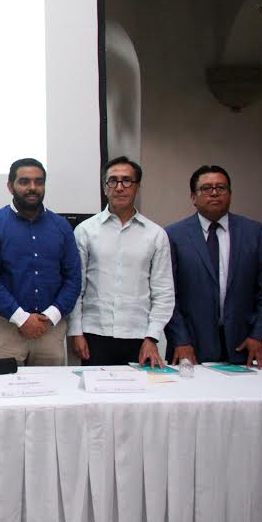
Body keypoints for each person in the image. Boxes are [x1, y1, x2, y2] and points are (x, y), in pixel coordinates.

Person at [165, 165, 262, 367]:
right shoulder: (173, 235)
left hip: (243, 345)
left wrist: (259, 335)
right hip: (190, 346)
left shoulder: (254, 232)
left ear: (230, 194)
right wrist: (180, 339)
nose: (215, 192)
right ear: (193, 197)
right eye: (206, 188)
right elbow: (167, 294)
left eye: (221, 187)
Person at [68, 156, 173, 367]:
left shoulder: (156, 234)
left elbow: (163, 291)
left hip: (139, 336)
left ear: (137, 187)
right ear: (104, 187)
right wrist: (76, 331)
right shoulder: (85, 231)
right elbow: (76, 287)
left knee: (140, 389)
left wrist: (152, 337)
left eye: (126, 181)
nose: (119, 187)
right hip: (93, 334)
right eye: (112, 181)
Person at [0, 157, 81, 367]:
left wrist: (50, 316)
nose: (32, 187)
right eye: (24, 182)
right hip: (5, 328)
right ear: (10, 186)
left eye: (38, 182)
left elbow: (73, 278)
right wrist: (22, 319)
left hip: (49, 328)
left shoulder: (61, 226)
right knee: (2, 387)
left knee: (51, 388)